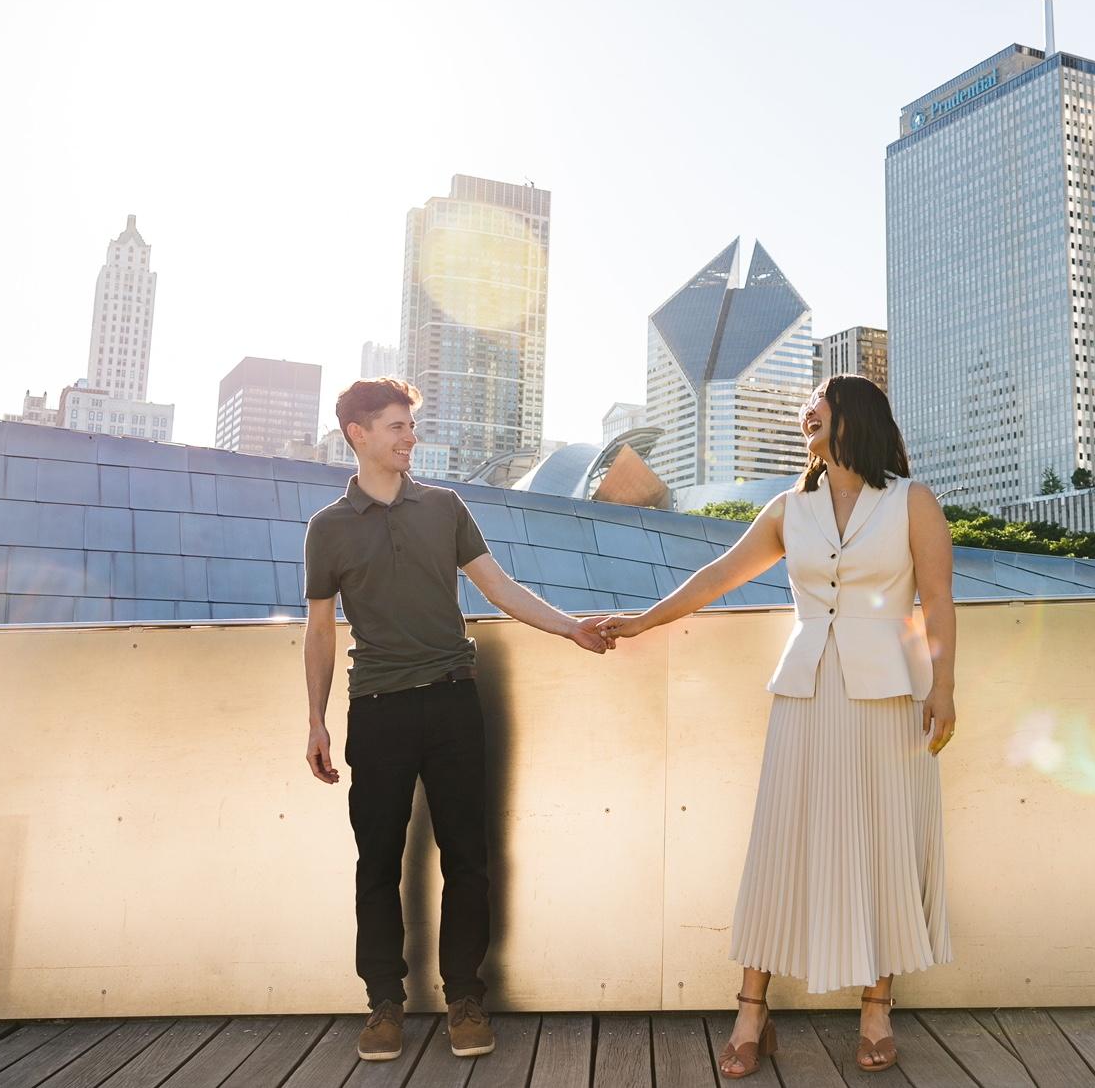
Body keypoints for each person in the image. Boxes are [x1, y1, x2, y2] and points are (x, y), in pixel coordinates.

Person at [596, 374, 955, 1077]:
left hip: (889, 698)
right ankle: (751, 1009)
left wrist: (944, 688)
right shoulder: (789, 509)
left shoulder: (913, 503)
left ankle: (876, 1006)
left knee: (881, 841)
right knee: (781, 841)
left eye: (818, 400)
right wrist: (641, 621)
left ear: (853, 415)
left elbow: (939, 600)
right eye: (805, 407)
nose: (806, 411)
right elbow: (715, 577)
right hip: (805, 693)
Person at [303, 377, 614, 1064]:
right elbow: (320, 630)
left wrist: (571, 629)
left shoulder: (444, 507)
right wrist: (316, 721)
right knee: (377, 864)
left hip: (452, 700)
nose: (409, 437)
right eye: (394, 426)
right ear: (358, 434)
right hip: (377, 710)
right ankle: (384, 1004)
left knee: (467, 859)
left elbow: (498, 587)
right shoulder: (327, 528)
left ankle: (464, 1000)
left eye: (410, 425)